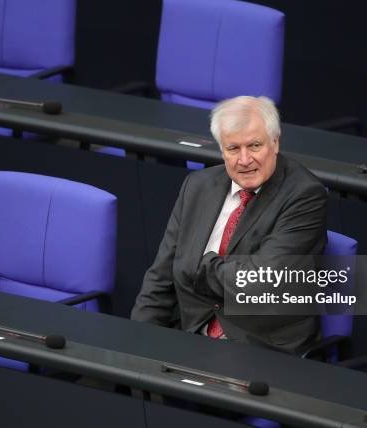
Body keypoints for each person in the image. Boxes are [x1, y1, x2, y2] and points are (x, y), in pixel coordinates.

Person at [131, 96, 327, 354]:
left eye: (254, 146)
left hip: (262, 346)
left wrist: (200, 266)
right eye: (233, 149)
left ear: (275, 143)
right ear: (221, 149)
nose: (244, 160)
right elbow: (161, 277)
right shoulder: (197, 186)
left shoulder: (304, 194)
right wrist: (137, 340)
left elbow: (258, 283)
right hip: (193, 333)